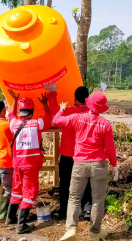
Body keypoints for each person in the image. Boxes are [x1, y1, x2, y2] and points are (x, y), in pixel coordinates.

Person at [53, 92, 119, 241]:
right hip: (99, 165)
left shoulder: (78, 118)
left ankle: (71, 229)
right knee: (97, 199)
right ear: (102, 108)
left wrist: (62, 109)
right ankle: (95, 233)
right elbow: (110, 149)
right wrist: (114, 167)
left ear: (89, 104)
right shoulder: (105, 124)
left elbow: (57, 120)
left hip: (79, 164)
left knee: (74, 197)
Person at [5, 89, 52, 234]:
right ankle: (21, 225)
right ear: (31, 111)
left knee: (17, 190)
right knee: (30, 193)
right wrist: (45, 103)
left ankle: (10, 217)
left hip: (17, 164)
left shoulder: (14, 124)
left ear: (21, 111)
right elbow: (49, 118)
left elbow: (11, 114)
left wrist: (14, 100)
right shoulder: (37, 124)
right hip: (30, 165)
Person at [44, 83, 92, 220]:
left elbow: (54, 112)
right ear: (87, 99)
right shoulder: (92, 113)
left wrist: (53, 92)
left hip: (67, 154)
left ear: (75, 99)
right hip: (85, 155)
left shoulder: (69, 112)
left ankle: (64, 210)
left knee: (65, 183)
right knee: (87, 182)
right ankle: (87, 209)